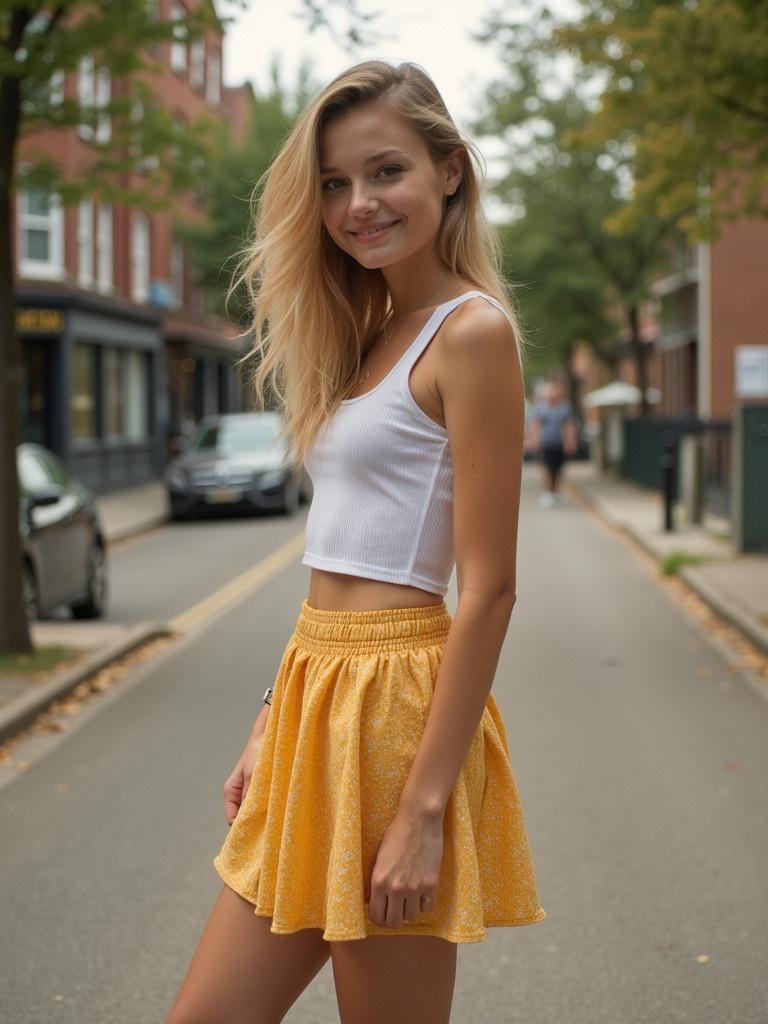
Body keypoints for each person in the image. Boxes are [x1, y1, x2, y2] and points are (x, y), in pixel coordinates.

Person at [165, 60, 546, 1024]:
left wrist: (422, 812)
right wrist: (269, 719)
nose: (356, 204)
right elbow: (337, 559)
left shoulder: (470, 332)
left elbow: (491, 589)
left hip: (395, 717)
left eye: (386, 172)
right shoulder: (371, 328)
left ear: (449, 170)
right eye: (333, 183)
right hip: (312, 698)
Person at [531, 379, 578, 507]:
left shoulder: (565, 408)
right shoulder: (541, 408)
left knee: (559, 469)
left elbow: (569, 426)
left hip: (560, 444)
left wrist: (570, 441)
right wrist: (535, 440)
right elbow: (536, 425)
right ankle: (548, 493)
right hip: (546, 443)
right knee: (547, 469)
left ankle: (556, 492)